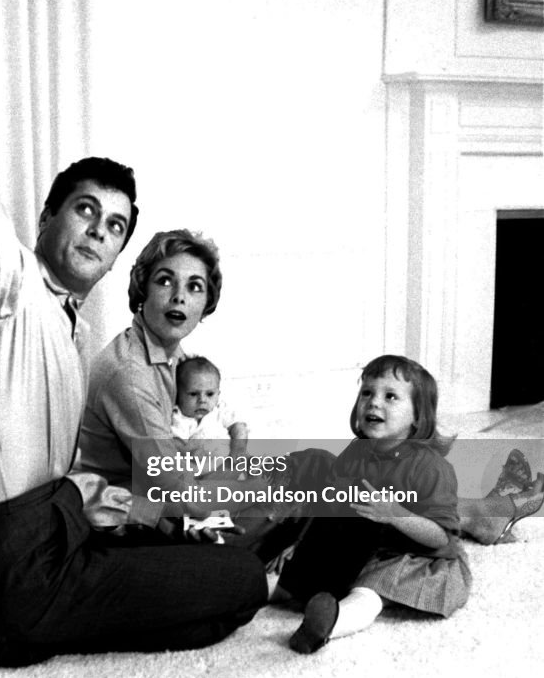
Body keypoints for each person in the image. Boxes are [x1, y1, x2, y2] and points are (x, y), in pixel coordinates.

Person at [0, 0, 267, 665]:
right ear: (47, 218)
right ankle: (12, 621)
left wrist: (131, 510)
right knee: (241, 582)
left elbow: (69, 479)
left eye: (115, 224)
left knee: (169, 546)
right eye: (85, 211)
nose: (98, 231)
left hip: (18, 532)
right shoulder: (5, 286)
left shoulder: (73, 329)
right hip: (22, 565)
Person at [78, 229, 328, 561]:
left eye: (195, 287)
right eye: (165, 281)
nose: (179, 297)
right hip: (146, 521)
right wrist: (255, 485)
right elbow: (180, 492)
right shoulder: (130, 375)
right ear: (142, 291)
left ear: (206, 303)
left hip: (180, 493)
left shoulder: (174, 358)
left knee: (313, 465)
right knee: (292, 499)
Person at [280, 355, 473, 654]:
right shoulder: (358, 451)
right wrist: (299, 544)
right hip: (368, 543)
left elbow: (441, 537)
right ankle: (269, 589)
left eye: (390, 396)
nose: (373, 403)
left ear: (418, 417)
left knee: (371, 588)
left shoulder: (431, 468)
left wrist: (396, 514)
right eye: (367, 393)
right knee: (313, 562)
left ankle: (329, 624)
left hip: (416, 554)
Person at [171, 356, 249, 460]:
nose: (202, 400)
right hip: (202, 468)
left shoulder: (219, 409)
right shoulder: (179, 418)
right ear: (178, 395)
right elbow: (177, 446)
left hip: (231, 457)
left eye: (210, 394)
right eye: (193, 394)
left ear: (218, 394)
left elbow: (239, 427)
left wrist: (239, 449)